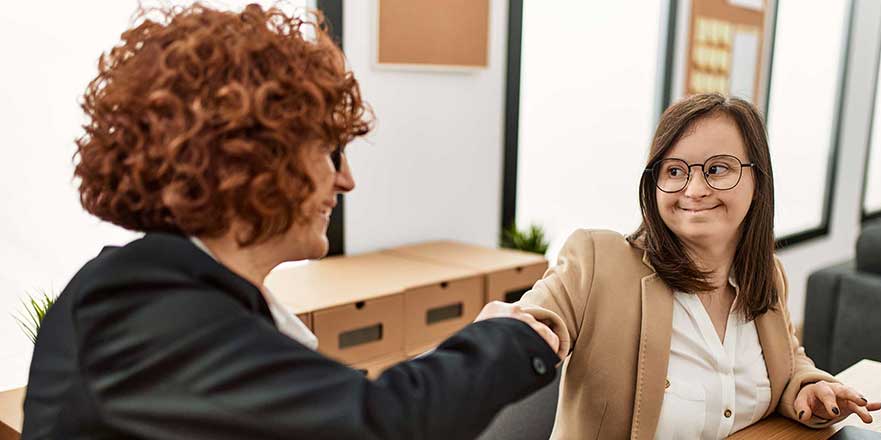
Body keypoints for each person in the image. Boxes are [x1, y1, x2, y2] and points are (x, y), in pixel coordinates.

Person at [20, 4, 559, 439]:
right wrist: (505, 341)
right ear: (249, 160)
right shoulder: (135, 308)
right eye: (330, 152)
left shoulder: (189, 295)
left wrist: (476, 340)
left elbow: (322, 400)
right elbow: (372, 425)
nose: (346, 180)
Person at [515, 93, 881, 439]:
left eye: (718, 168)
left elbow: (788, 359)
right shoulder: (598, 262)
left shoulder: (766, 272)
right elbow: (529, 322)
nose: (693, 189)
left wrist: (809, 387)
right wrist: (507, 333)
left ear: (758, 180)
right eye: (674, 171)